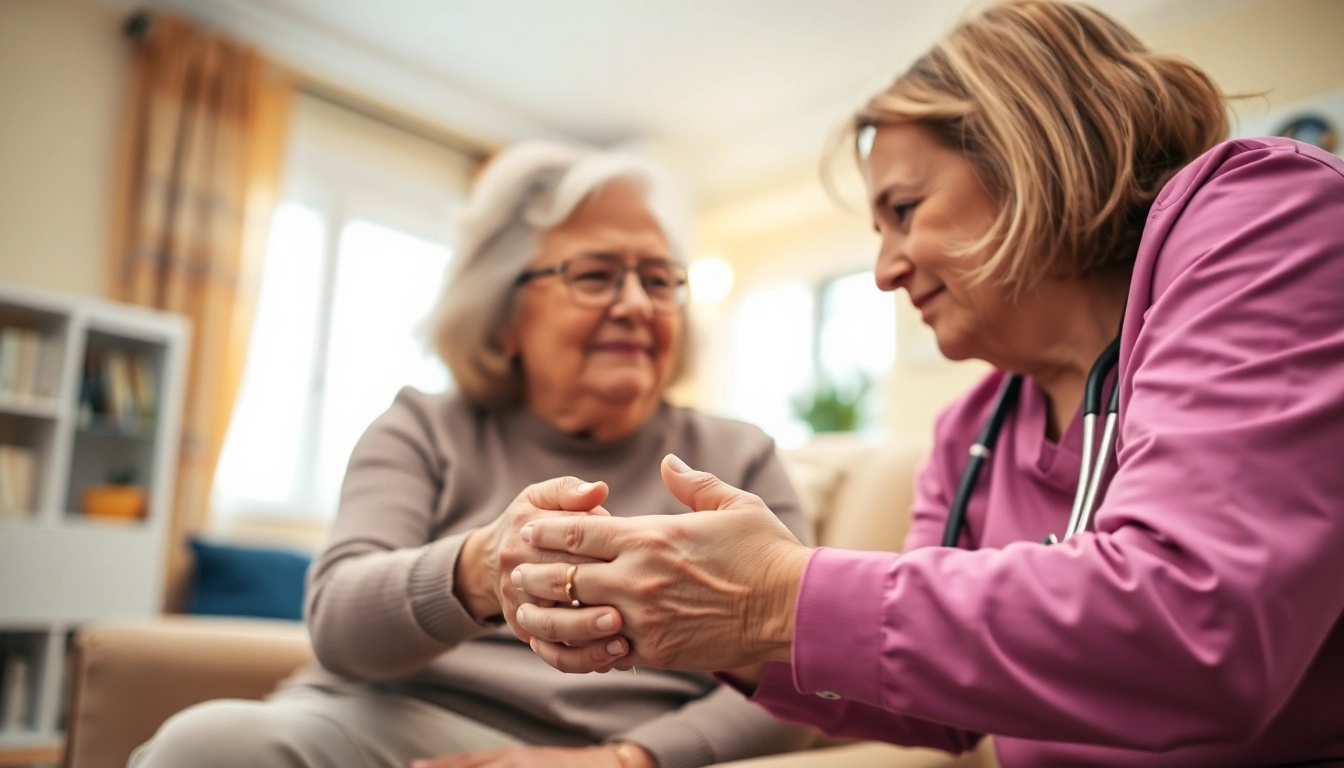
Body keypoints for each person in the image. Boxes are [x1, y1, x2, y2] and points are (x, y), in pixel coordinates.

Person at [506, 2, 1344, 765]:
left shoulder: (1264, 214)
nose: (883, 272)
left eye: (903, 211)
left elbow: (1202, 633)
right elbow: (942, 714)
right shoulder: (970, 432)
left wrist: (777, 596)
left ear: (1029, 149)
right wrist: (712, 628)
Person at [130, 142, 815, 768]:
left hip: (615, 753)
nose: (638, 303)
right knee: (207, 746)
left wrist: (626, 760)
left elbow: (803, 673)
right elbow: (338, 621)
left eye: (660, 279)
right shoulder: (421, 428)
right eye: (598, 274)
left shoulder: (737, 456)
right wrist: (482, 567)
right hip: (384, 728)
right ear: (505, 314)